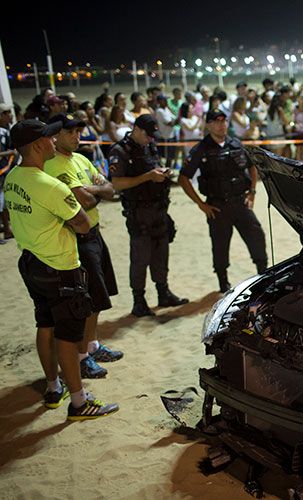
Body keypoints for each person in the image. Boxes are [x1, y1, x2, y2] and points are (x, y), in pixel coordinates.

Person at [6, 119, 119, 419]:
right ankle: (80, 402)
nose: (54, 142)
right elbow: (82, 223)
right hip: (59, 266)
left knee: (45, 325)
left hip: (30, 262)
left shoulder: (13, 177)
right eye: (49, 138)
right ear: (39, 145)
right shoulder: (50, 186)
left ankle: (54, 387)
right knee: (68, 336)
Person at [44, 114, 122, 379]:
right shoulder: (54, 165)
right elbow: (84, 202)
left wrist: (92, 191)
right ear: (57, 135)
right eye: (72, 132)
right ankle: (81, 357)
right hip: (77, 236)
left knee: (99, 297)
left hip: (95, 233)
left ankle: (92, 345)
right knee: (85, 299)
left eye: (79, 131)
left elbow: (111, 190)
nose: (77, 136)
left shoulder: (81, 159)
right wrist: (94, 191)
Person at [178, 109, 268, 292]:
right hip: (217, 206)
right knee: (220, 245)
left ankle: (263, 273)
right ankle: (223, 281)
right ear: (209, 125)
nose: (222, 125)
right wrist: (201, 204)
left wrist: (252, 192)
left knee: (256, 236)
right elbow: (183, 178)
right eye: (217, 121)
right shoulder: (201, 149)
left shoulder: (236, 144)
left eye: (224, 121)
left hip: (240, 202)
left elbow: (252, 167)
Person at [108, 115, 188, 316]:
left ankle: (163, 293)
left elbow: (153, 169)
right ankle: (139, 300)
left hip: (158, 210)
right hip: (139, 212)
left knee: (161, 253)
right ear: (136, 129)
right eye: (147, 134)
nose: (150, 139)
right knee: (140, 257)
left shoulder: (149, 147)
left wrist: (162, 173)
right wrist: (148, 176)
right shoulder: (121, 150)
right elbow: (116, 183)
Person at [0, 103, 17, 242]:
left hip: (6, 171)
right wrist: (10, 152)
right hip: (1, 171)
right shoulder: (1, 133)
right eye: (6, 113)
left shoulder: (6, 130)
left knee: (5, 201)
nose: (10, 115)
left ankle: (8, 229)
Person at [154, 95, 177, 169]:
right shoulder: (159, 111)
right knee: (166, 157)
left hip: (172, 135)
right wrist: (180, 118)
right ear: (159, 102)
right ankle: (165, 173)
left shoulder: (166, 109)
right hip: (165, 137)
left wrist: (169, 108)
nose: (166, 102)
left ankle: (168, 173)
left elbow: (174, 116)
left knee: (171, 157)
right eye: (164, 100)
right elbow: (170, 123)